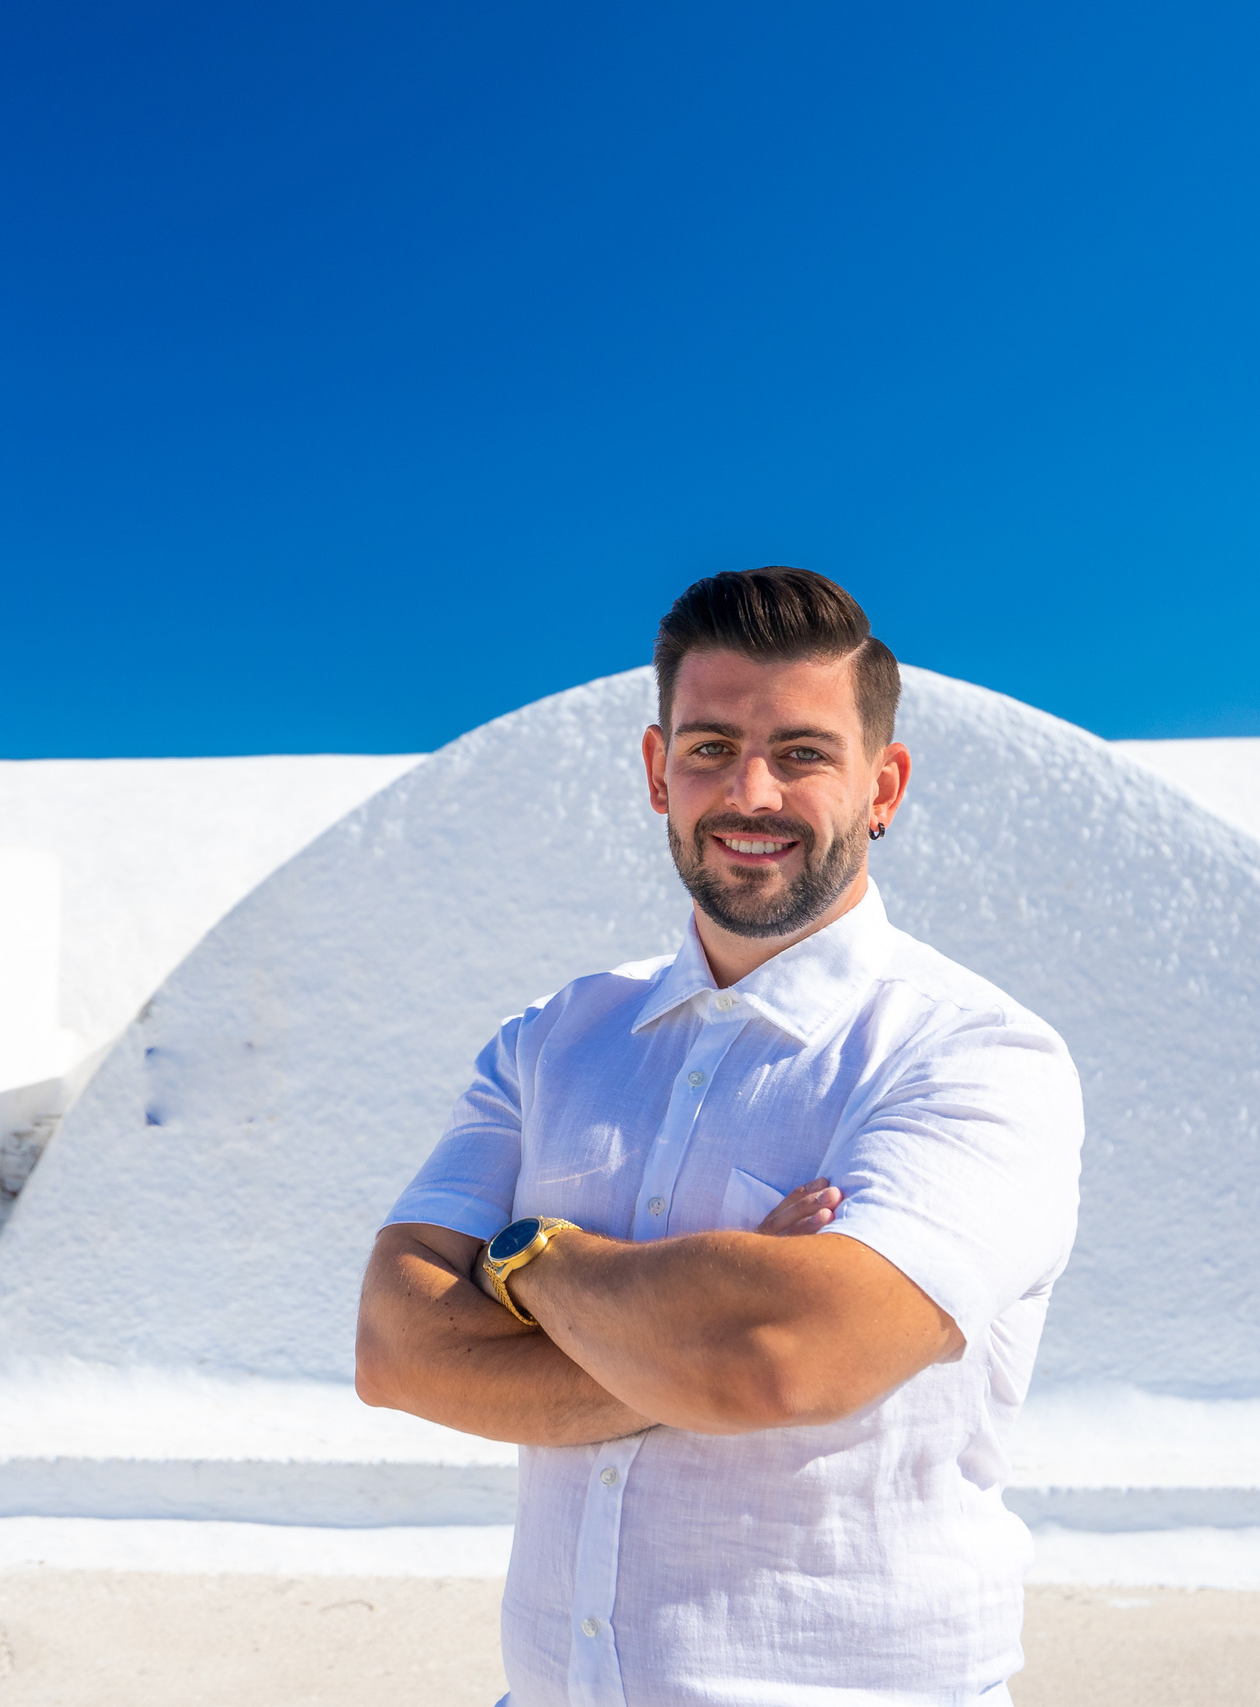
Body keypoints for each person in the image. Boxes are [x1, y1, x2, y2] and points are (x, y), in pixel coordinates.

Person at [354, 567, 1084, 1706]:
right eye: (710, 748)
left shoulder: (973, 1054)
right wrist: (696, 1338)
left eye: (802, 753)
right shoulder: (552, 1039)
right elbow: (396, 1349)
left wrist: (528, 1257)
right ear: (658, 772)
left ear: (883, 786)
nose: (751, 791)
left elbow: (787, 1358)